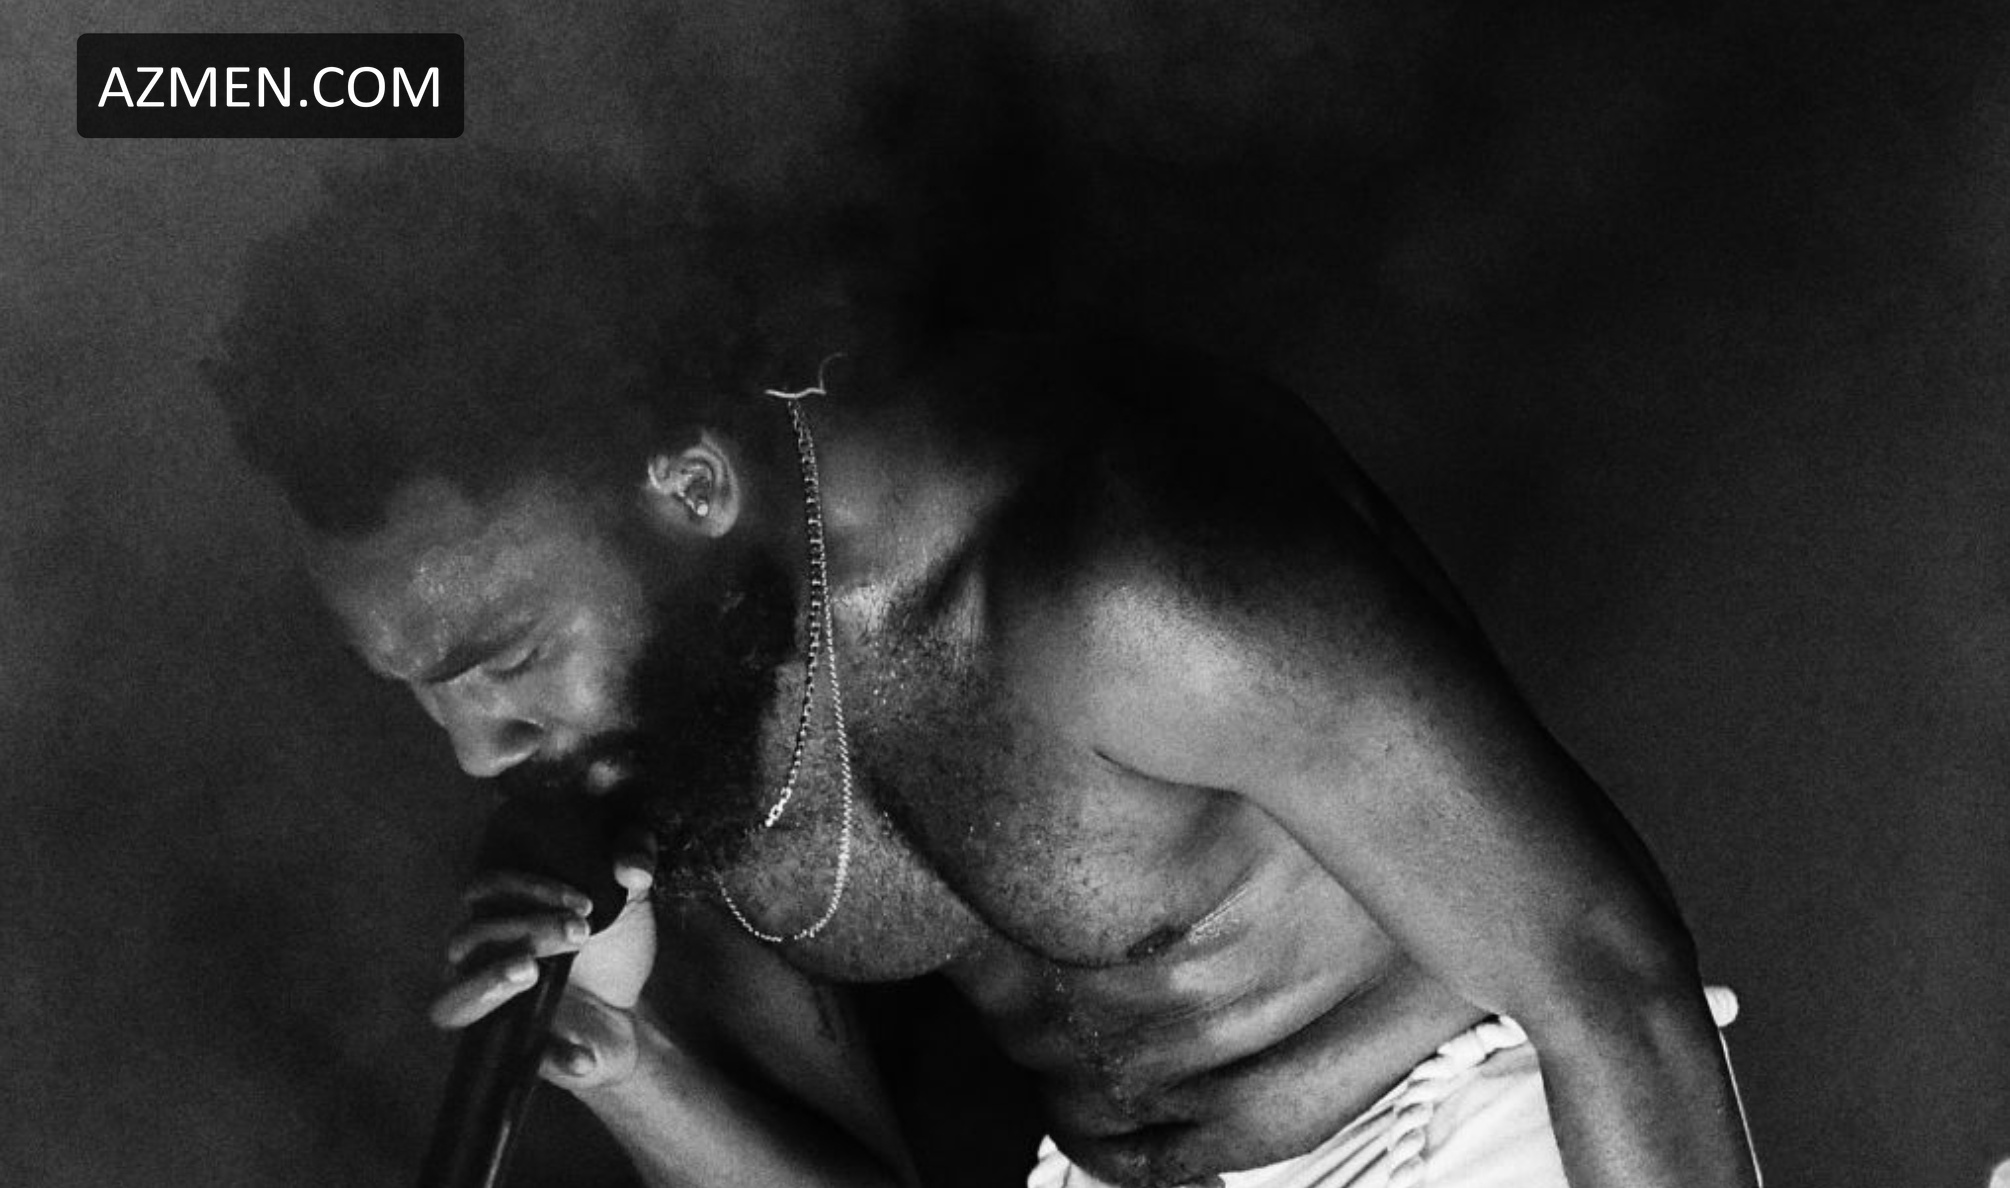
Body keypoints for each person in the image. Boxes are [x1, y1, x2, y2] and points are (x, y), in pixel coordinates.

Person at [209, 155, 1762, 1188]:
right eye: (417, 690)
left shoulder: (1114, 568)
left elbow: (1613, 1000)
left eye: (503, 661)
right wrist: (624, 1055)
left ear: (686, 489)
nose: (478, 749)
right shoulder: (691, 719)